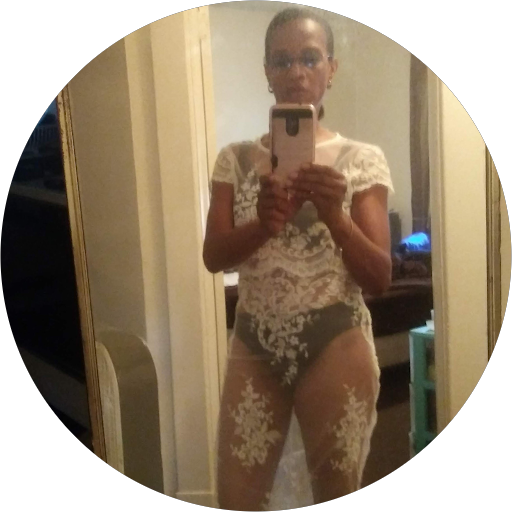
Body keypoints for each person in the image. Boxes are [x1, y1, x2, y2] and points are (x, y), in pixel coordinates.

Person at [203, 7, 394, 510]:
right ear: (266, 71)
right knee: (235, 498)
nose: (296, 72)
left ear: (332, 68)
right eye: (282, 60)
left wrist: (336, 216)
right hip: (254, 342)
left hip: (336, 342)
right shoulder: (235, 159)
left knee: (336, 489)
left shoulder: (361, 159)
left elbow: (379, 277)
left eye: (310, 58)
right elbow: (212, 256)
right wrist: (262, 225)